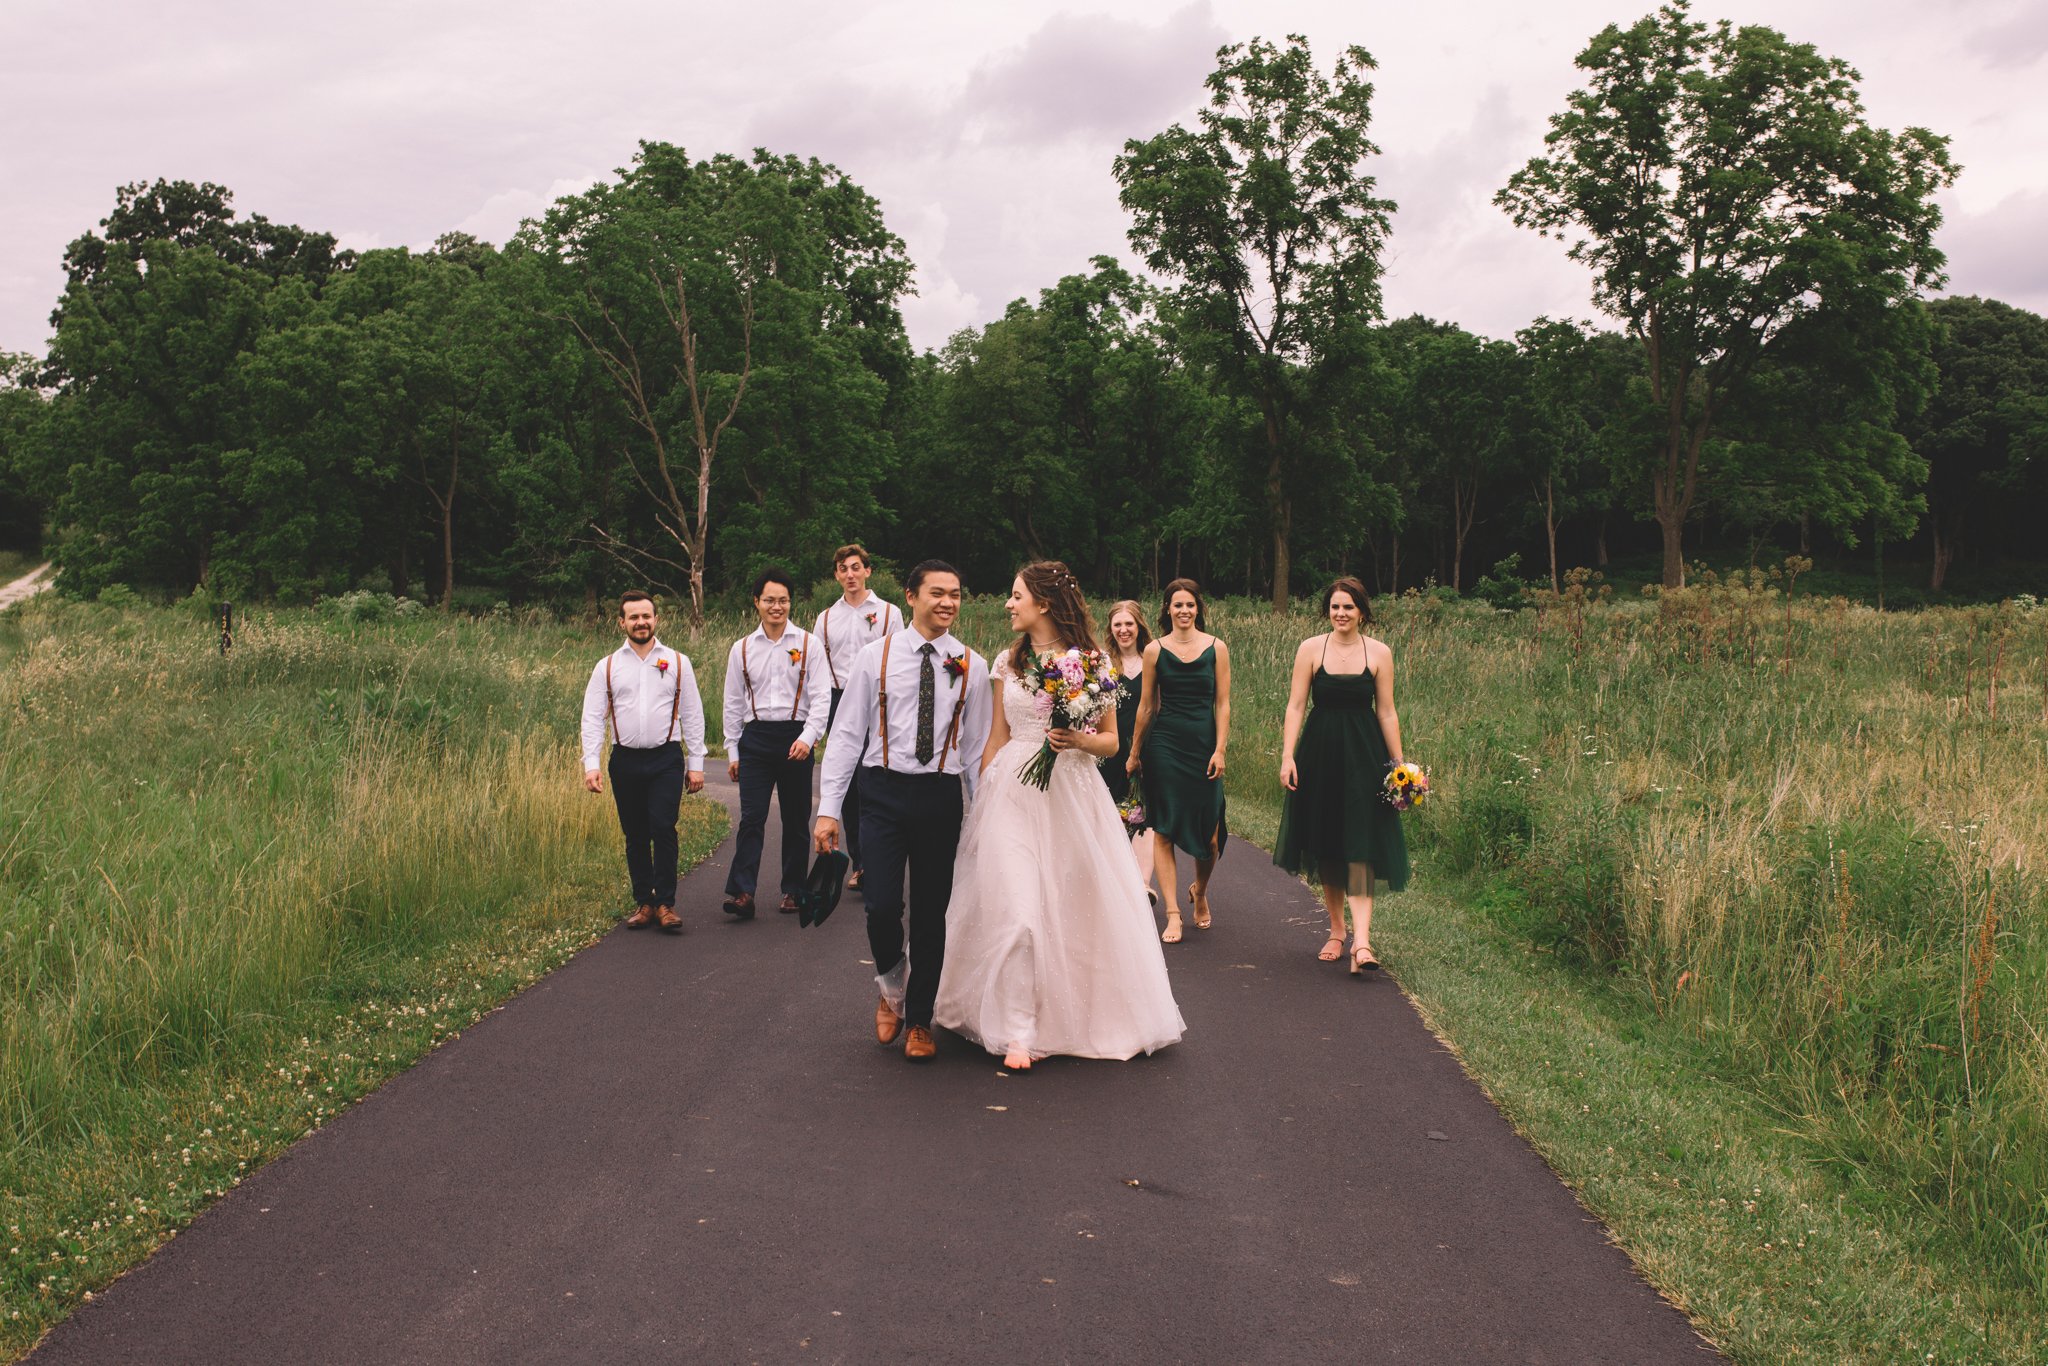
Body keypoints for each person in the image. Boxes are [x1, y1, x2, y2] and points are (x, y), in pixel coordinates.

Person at [934, 564, 1185, 1071]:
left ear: (1043, 604)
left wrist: (1078, 740)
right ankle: (1018, 1030)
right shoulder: (1007, 662)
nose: (1008, 604)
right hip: (1011, 793)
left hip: (1071, 792)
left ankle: (1062, 1016)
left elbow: (1111, 742)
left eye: (1015, 595)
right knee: (1019, 910)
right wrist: (982, 794)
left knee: (1067, 909)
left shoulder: (1092, 662)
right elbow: (997, 737)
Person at [815, 561, 993, 1063]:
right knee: (880, 905)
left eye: (955, 594)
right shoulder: (875, 658)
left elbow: (977, 748)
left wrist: (981, 816)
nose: (948, 603)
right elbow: (848, 734)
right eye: (937, 593)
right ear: (911, 597)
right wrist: (828, 810)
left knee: (932, 914)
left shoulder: (971, 665)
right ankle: (892, 986)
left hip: (939, 796)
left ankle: (919, 1019)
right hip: (882, 792)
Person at [1275, 577, 1411, 974]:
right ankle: (1337, 931)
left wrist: (1400, 767)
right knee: (1328, 841)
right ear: (1327, 611)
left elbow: (1386, 711)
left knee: (1360, 844)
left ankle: (1363, 943)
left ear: (1362, 612)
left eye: (1348, 607)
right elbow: (1296, 706)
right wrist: (1287, 756)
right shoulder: (1310, 649)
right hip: (1319, 753)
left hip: (1366, 756)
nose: (1341, 614)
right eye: (1335, 607)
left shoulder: (1380, 653)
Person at [580, 591, 707, 933]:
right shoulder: (606, 667)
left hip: (665, 757)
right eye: (633, 617)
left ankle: (666, 903)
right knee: (635, 833)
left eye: (646, 616)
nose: (641, 622)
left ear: (656, 620)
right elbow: (592, 717)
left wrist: (696, 762)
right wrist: (591, 763)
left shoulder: (678, 662)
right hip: (624, 759)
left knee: (662, 826)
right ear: (621, 622)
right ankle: (645, 902)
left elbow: (693, 714)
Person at [1126, 578, 1230, 944]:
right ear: (1167, 609)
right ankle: (1173, 913)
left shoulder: (1217, 648)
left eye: (1189, 604)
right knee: (1164, 829)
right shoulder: (1154, 650)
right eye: (1177, 605)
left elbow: (1222, 703)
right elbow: (1147, 705)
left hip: (1203, 745)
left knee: (1211, 836)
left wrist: (1220, 749)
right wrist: (1136, 752)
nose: (1183, 611)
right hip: (1166, 745)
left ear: (1198, 608)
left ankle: (1199, 891)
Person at [721, 567, 828, 919]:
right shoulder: (742, 649)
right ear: (757, 602)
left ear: (790, 603)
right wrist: (733, 750)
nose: (776, 606)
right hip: (756, 739)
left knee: (796, 819)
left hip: (795, 736)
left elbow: (821, 697)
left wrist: (808, 737)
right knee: (752, 817)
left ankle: (793, 890)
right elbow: (733, 702)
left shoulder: (809, 644)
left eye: (782, 600)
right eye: (769, 600)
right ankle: (742, 892)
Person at [811, 543, 903, 892]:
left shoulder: (888, 612)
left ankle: (881, 857)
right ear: (836, 574)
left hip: (878, 700)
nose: (849, 574)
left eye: (855, 568)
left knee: (876, 775)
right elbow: (819, 669)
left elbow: (896, 659)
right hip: (837, 698)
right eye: (842, 569)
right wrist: (818, 721)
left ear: (868, 571)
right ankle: (861, 863)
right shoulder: (826, 618)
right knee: (846, 782)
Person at [1099, 599, 1158, 904]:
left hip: (1147, 748)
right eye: (1118, 625)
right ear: (1111, 629)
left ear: (1139, 626)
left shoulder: (1153, 659)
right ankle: (1114, 883)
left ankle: (1143, 885)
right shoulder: (1103, 664)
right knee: (1111, 815)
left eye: (1129, 624)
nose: (1124, 630)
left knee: (1144, 816)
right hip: (1110, 750)